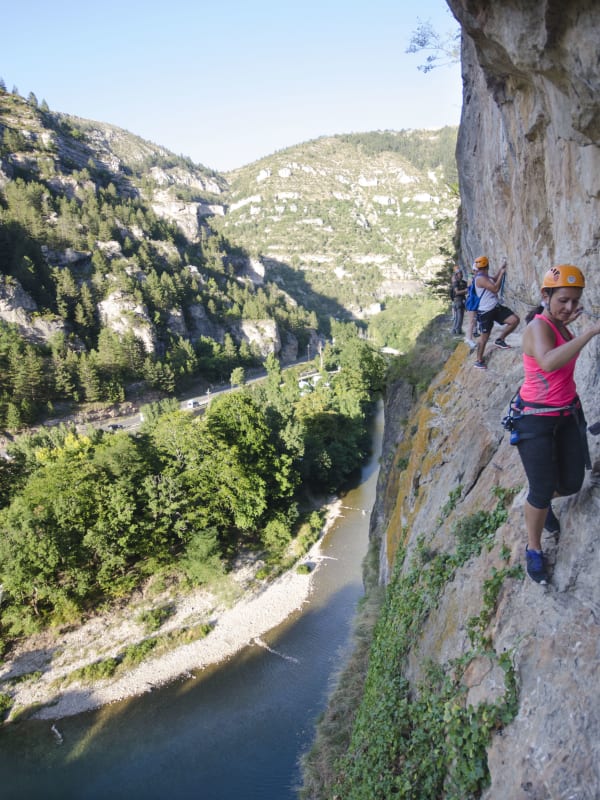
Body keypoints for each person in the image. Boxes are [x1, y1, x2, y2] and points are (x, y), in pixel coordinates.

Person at [509, 264, 600, 584]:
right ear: (545, 296)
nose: (570, 307)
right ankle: (534, 548)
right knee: (542, 489)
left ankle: (542, 504)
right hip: (535, 419)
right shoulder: (538, 327)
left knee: (573, 484)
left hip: (566, 414)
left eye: (576, 301)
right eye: (563, 300)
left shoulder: (561, 323)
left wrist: (572, 326)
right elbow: (548, 362)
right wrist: (590, 333)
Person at [473, 255, 520, 369]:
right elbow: (495, 288)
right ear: (487, 265)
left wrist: (501, 269)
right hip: (485, 312)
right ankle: (478, 360)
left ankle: (500, 339)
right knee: (484, 337)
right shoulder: (480, 278)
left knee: (514, 320)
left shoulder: (484, 276)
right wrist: (502, 274)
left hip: (494, 307)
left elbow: (493, 279)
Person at [450, 265, 467, 335]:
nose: (462, 274)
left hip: (460, 300)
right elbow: (457, 292)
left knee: (459, 316)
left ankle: (455, 331)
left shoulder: (463, 282)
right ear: (457, 275)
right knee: (459, 316)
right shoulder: (456, 282)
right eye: (460, 273)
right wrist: (466, 290)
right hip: (458, 300)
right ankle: (457, 331)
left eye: (462, 273)